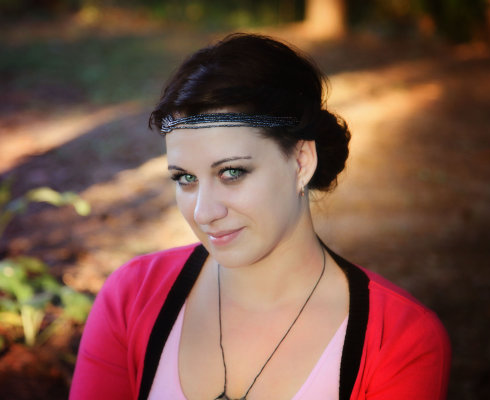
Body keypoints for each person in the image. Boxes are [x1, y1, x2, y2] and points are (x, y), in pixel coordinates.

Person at [70, 33, 451, 400]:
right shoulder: (131, 298)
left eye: (231, 172)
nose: (204, 212)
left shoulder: (397, 339)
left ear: (301, 162)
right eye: (185, 178)